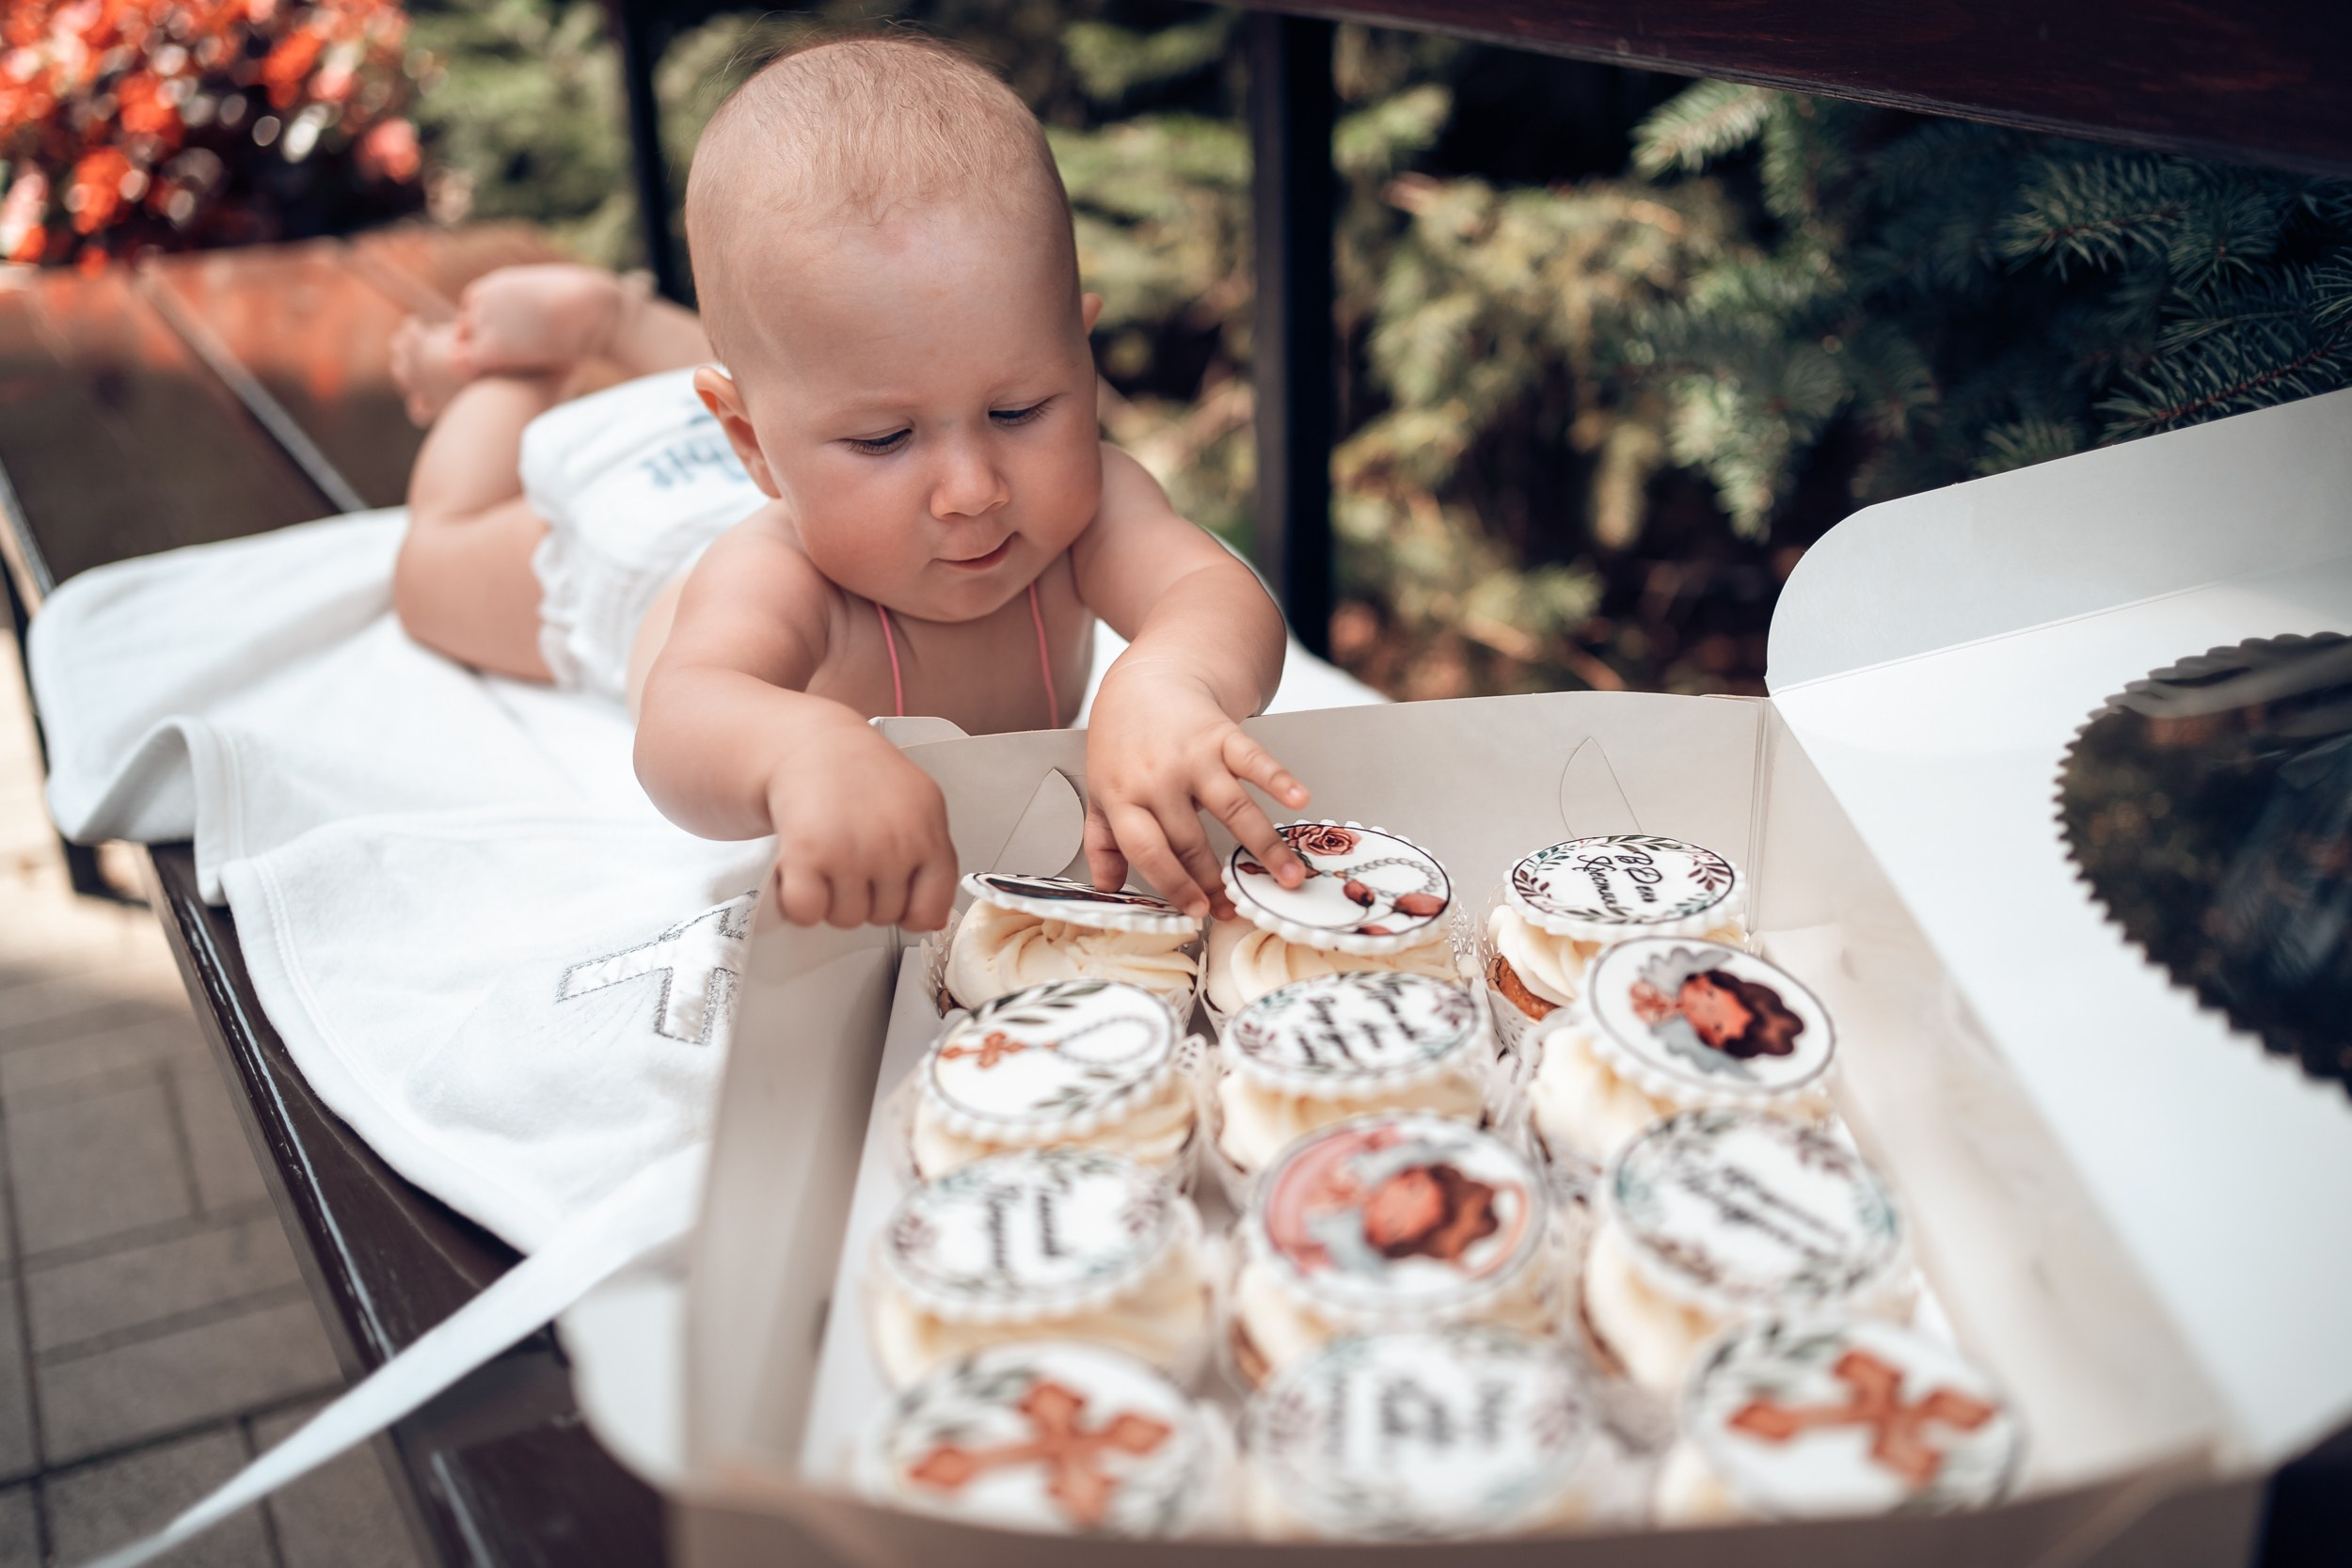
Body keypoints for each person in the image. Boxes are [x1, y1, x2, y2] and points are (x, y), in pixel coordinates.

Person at [387, 35, 1314, 934]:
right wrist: (801, 748)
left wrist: (1169, 673)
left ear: (1080, 350)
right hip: (651, 534)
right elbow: (681, 717)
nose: (972, 489)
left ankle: (618, 318)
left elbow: (1212, 590)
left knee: (801, 365)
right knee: (433, 570)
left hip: (788, 416)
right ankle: (497, 370)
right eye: (885, 438)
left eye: (1021, 408)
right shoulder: (773, 571)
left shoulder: (1091, 505)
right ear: (752, 446)